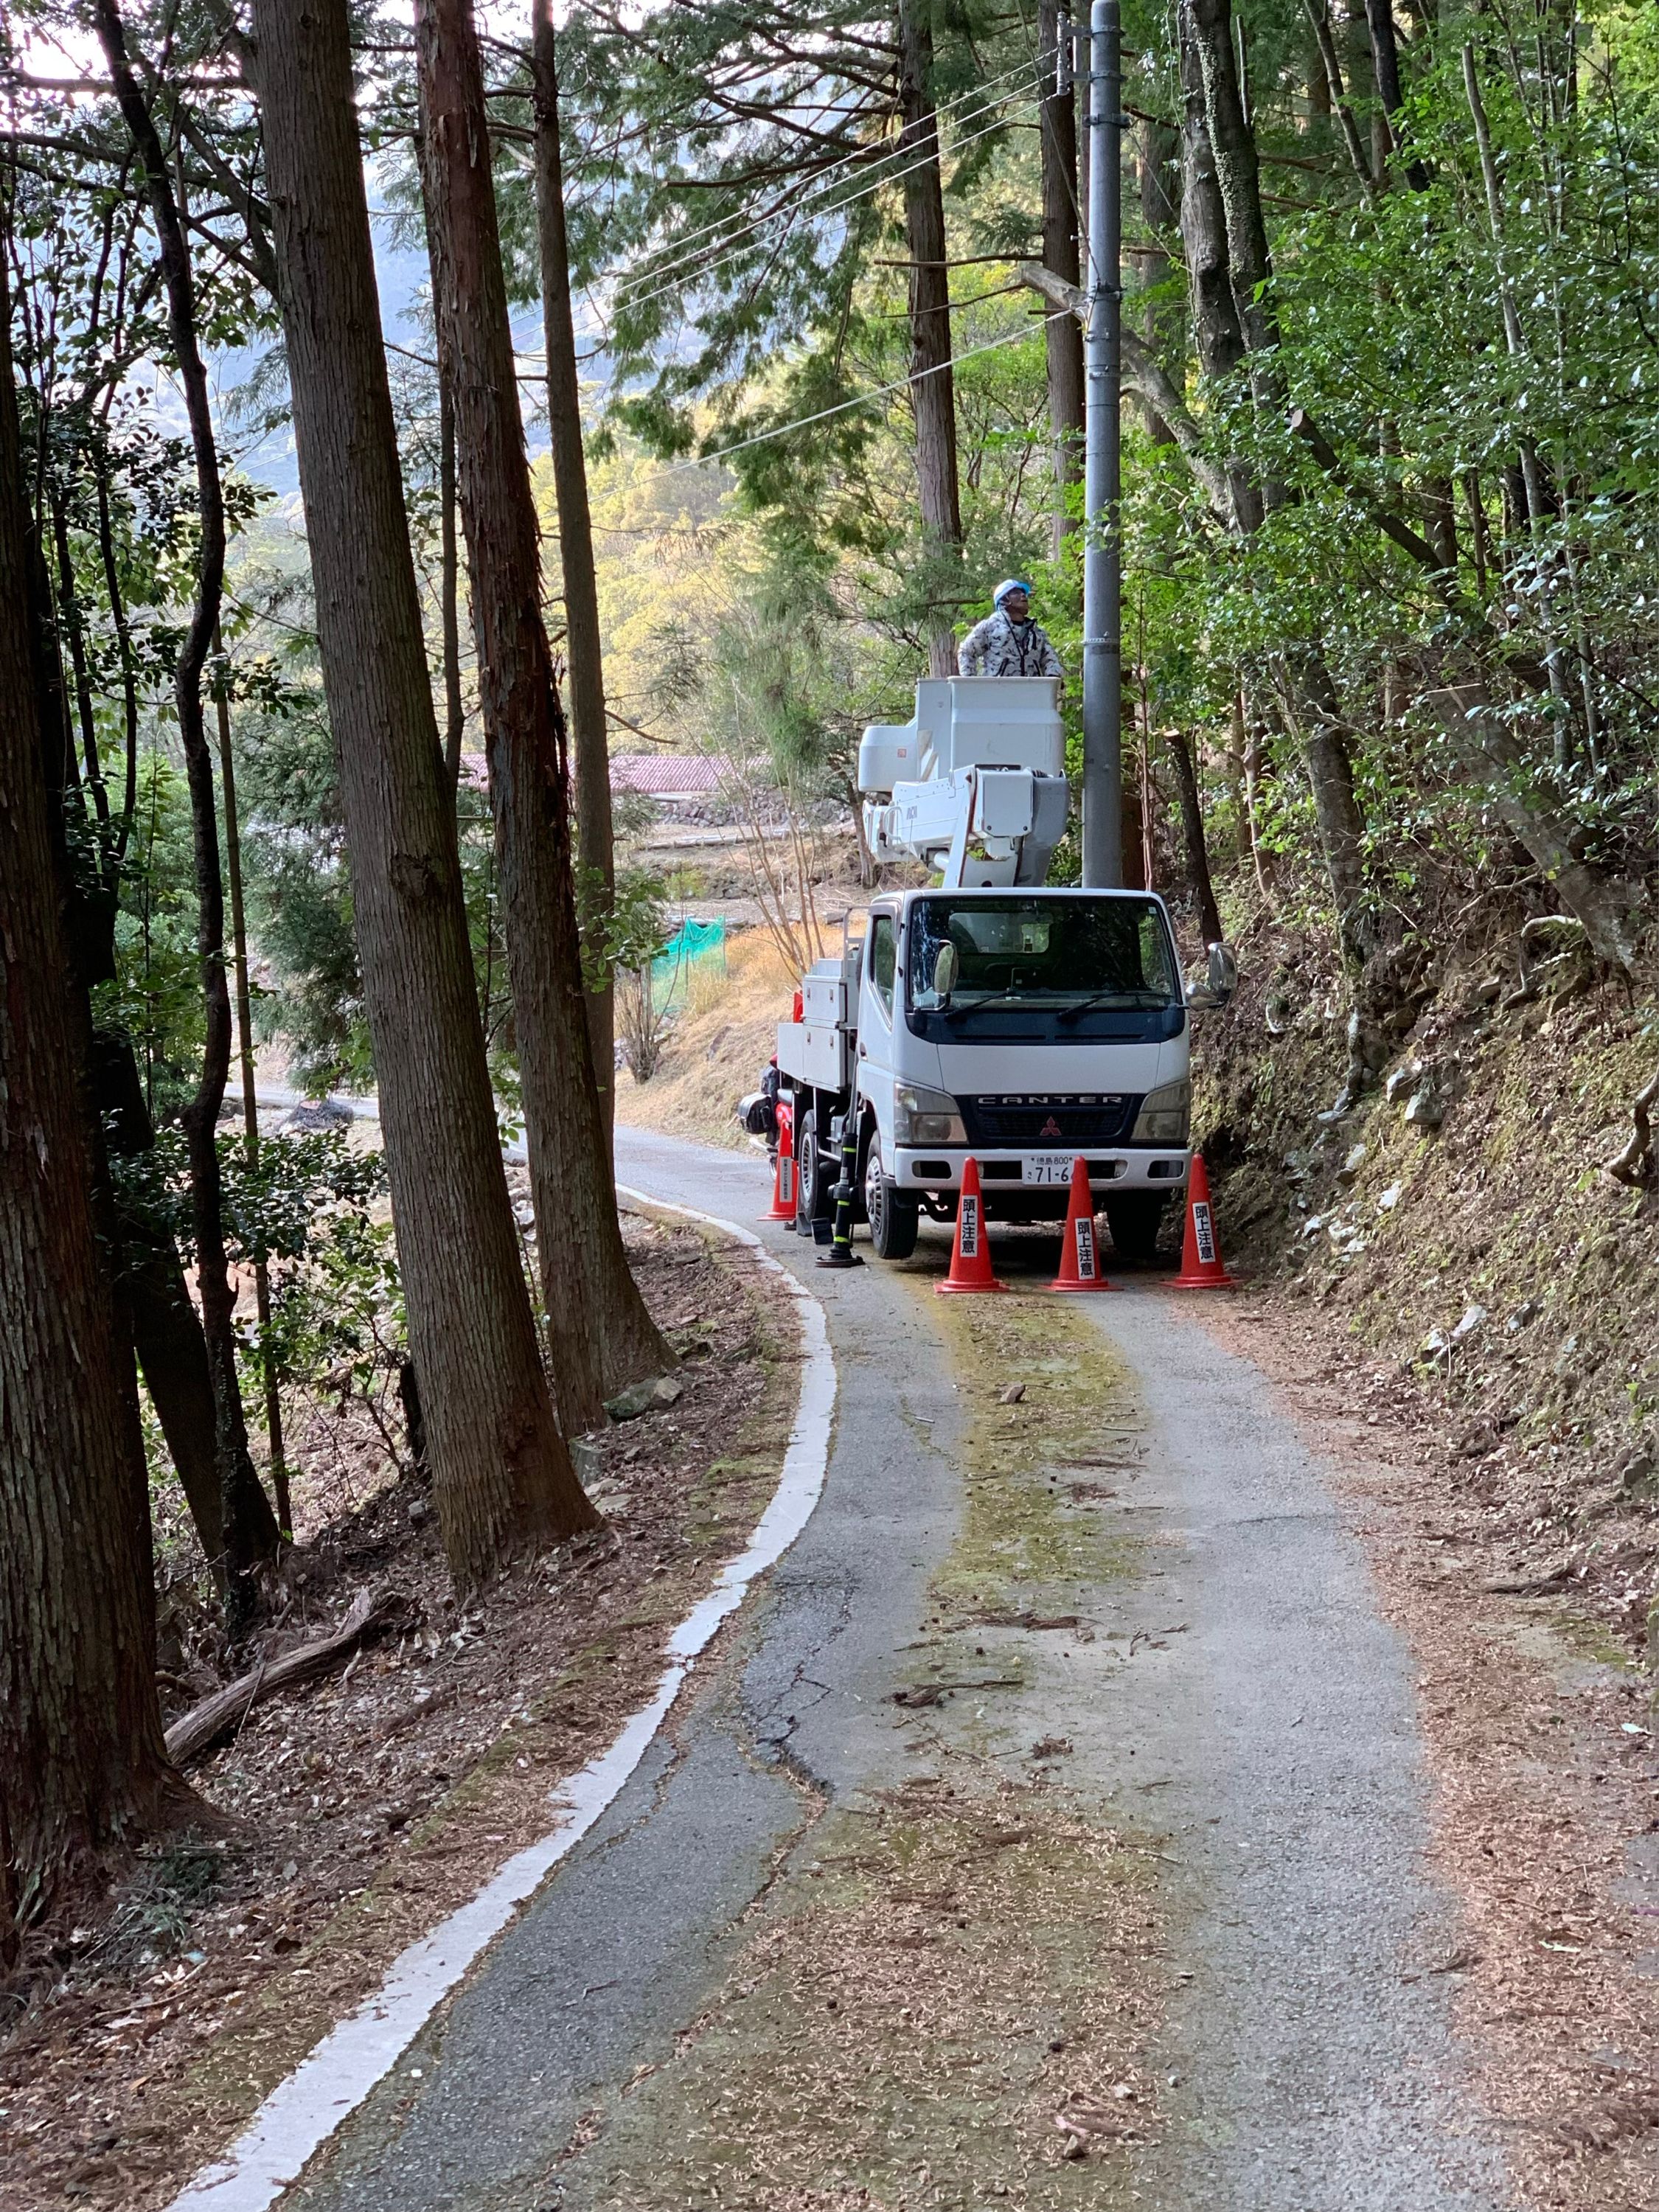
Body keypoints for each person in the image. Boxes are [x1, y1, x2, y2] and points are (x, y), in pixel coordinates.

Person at [957, 578, 1063, 679]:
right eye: (1016, 593)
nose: (1023, 595)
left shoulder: (1036, 632)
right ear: (1004, 600)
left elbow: (1050, 659)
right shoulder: (990, 627)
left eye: (1024, 593)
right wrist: (970, 683)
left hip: (1030, 693)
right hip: (997, 692)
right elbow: (966, 652)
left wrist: (1053, 678)